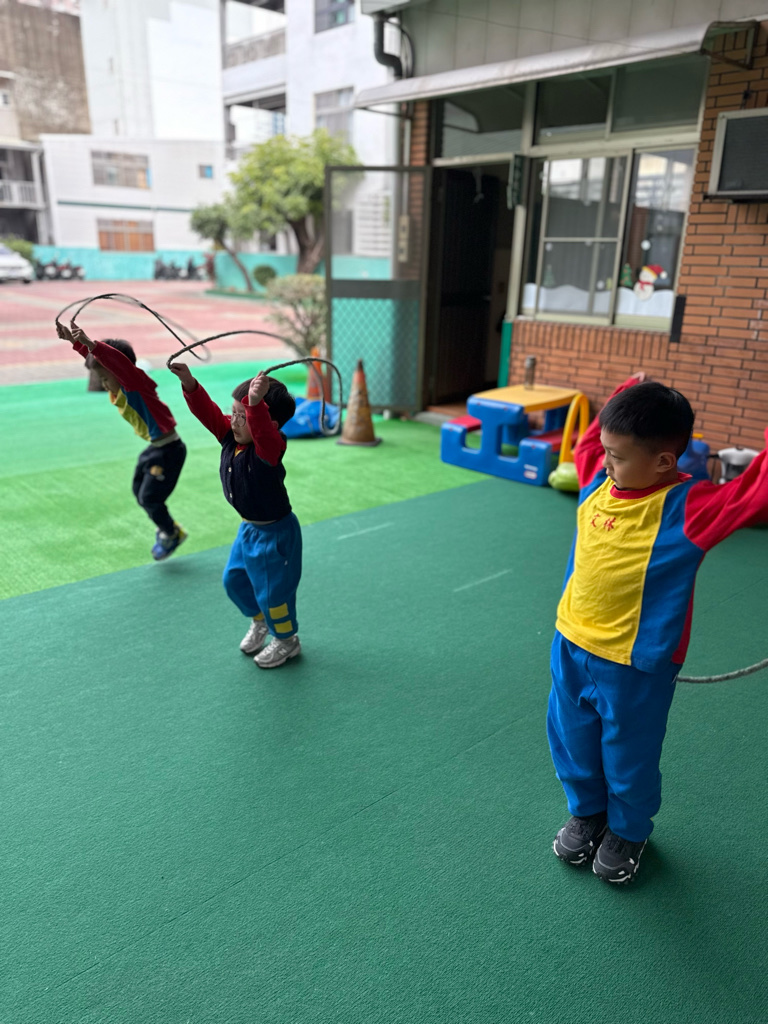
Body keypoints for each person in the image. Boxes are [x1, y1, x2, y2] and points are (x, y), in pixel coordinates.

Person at [549, 372, 768, 884]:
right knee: (571, 739)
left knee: (629, 754)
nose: (606, 463)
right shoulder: (598, 482)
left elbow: (755, 492)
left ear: (665, 461)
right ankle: (588, 812)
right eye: (608, 453)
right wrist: (624, 393)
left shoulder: (689, 508)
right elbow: (589, 445)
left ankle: (628, 830)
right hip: (570, 644)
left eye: (618, 457)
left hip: (635, 665)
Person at [169, 361, 302, 670]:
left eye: (243, 416)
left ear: (269, 423)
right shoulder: (230, 435)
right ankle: (261, 621)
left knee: (275, 595)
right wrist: (190, 384)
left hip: (276, 534)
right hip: (249, 530)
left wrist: (254, 405)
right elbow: (208, 413)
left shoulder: (270, 447)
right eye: (234, 413)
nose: (235, 422)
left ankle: (287, 641)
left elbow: (263, 432)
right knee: (234, 580)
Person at [58, 322, 188, 561]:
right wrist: (74, 341)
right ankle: (168, 527)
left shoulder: (134, 386)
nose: (103, 384)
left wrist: (91, 343)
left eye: (105, 378)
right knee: (139, 491)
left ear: (119, 371)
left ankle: (172, 533)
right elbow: (100, 362)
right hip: (155, 448)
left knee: (150, 498)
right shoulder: (118, 386)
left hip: (169, 451)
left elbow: (118, 365)